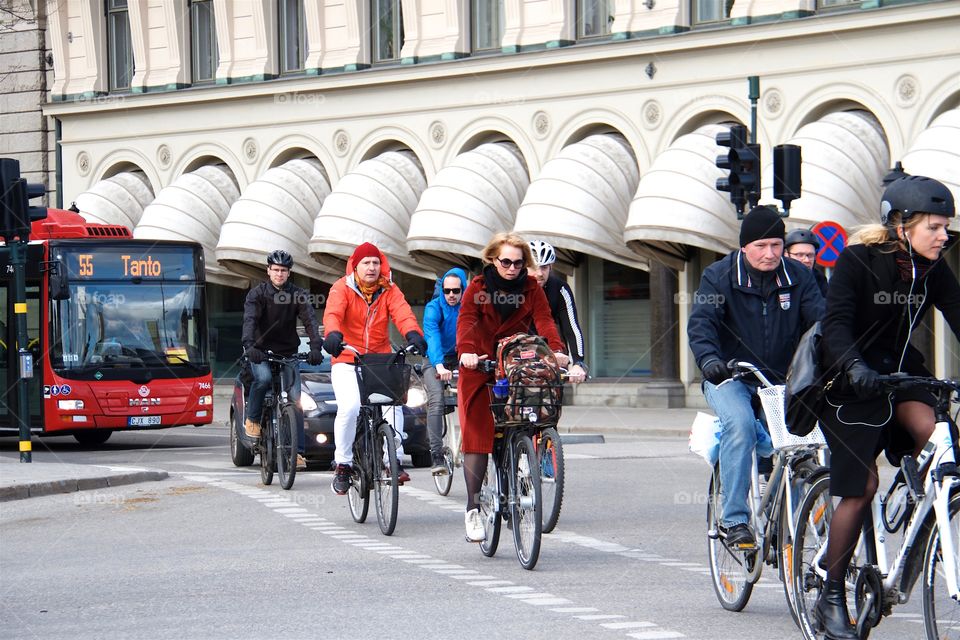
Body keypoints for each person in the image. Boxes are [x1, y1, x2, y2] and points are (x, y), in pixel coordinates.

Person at [814, 175, 960, 640]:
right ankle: (831, 595)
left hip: (899, 376)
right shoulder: (859, 260)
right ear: (901, 225)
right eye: (934, 227)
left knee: (939, 435)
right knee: (861, 486)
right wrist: (855, 367)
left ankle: (918, 502)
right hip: (848, 380)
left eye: (946, 228)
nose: (943, 236)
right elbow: (835, 325)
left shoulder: (934, 269)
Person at [688, 205, 824, 548]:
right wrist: (709, 360)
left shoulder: (799, 277)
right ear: (745, 247)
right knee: (742, 425)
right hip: (731, 375)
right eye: (761, 246)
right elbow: (702, 322)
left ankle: (792, 521)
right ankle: (734, 521)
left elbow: (821, 322)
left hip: (782, 378)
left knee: (796, 441)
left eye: (776, 245)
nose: (770, 253)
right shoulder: (718, 275)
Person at [457, 232, 570, 542]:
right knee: (479, 436)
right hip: (480, 367)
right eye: (505, 261)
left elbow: (545, 320)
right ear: (494, 259)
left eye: (518, 263)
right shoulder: (478, 289)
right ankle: (472, 508)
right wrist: (466, 352)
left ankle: (523, 470)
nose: (511, 268)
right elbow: (466, 321)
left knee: (526, 419)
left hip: (515, 365)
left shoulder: (532, 288)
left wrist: (557, 351)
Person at [322, 242, 428, 495]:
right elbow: (333, 315)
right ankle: (344, 465)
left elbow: (403, 314)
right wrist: (333, 335)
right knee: (350, 407)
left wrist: (413, 334)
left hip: (380, 359)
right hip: (347, 357)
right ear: (356, 266)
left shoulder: (389, 289)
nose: (371, 267)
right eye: (366, 263)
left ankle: (394, 460)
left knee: (394, 405)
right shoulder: (341, 288)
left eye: (375, 262)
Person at [242, 250, 324, 471]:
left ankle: (296, 452)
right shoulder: (257, 294)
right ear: (268, 270)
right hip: (260, 350)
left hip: (288, 352)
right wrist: (249, 345)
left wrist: (316, 347)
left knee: (295, 399)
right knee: (263, 378)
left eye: (284, 271)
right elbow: (250, 320)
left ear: (289, 273)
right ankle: (254, 419)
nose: (279, 274)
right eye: (276, 270)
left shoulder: (298, 294)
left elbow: (310, 321)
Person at [422, 267, 468, 476]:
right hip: (435, 359)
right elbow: (432, 336)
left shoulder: (469, 307)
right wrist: (439, 365)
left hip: (461, 358)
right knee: (437, 401)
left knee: (474, 398)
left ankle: (473, 446)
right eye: (447, 291)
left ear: (463, 290)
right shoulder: (434, 307)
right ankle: (437, 455)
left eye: (456, 291)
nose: (451, 295)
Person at [527, 240, 588, 384]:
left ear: (551, 267)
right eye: (533, 267)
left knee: (549, 402)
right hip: (518, 355)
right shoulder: (515, 289)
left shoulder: (560, 289)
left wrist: (578, 363)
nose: (539, 273)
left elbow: (572, 328)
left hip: (550, 353)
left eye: (544, 267)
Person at [784, 227, 829, 297]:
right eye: (800, 255)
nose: (806, 260)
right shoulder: (777, 278)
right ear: (786, 254)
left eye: (810, 255)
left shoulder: (819, 278)